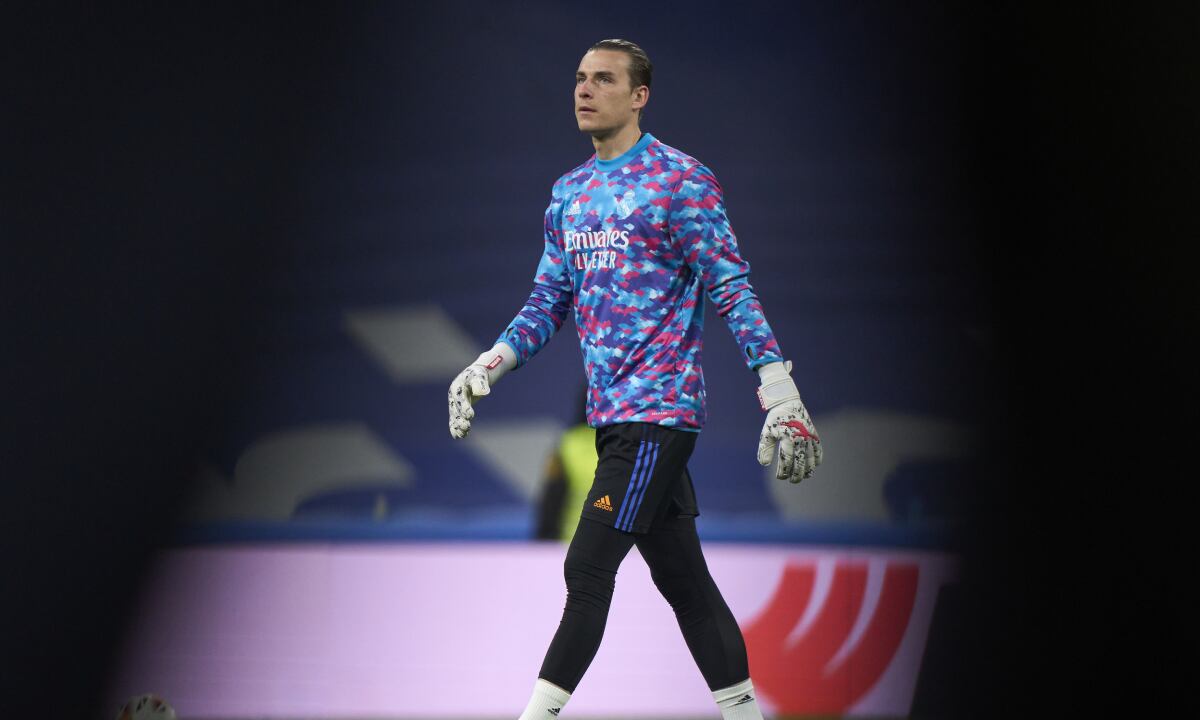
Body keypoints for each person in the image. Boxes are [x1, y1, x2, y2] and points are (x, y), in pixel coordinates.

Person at [447, 38, 822, 720]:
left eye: (604, 79)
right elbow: (547, 302)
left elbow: (730, 284)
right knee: (685, 583)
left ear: (640, 95)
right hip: (612, 417)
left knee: (586, 569)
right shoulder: (568, 194)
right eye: (580, 79)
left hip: (659, 414)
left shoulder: (682, 180)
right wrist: (488, 363)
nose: (584, 90)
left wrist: (780, 389)